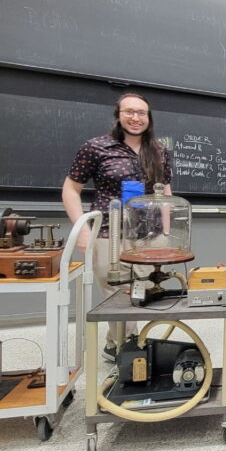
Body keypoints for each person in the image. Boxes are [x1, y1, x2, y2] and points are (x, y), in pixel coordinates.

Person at [61, 93, 172, 361]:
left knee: (146, 289)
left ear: (149, 118)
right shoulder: (97, 147)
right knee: (118, 294)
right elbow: (70, 189)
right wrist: (83, 230)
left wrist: (168, 234)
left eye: (142, 113)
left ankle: (114, 344)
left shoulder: (158, 150)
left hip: (150, 235)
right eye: (129, 112)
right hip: (109, 235)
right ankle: (129, 351)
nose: (136, 118)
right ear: (118, 115)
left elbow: (165, 191)